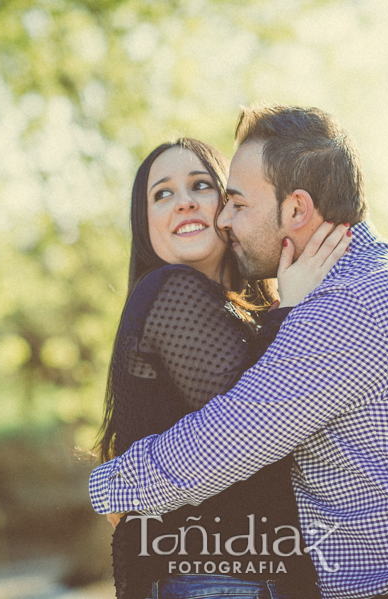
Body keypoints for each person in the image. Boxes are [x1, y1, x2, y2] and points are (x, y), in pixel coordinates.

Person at [90, 105, 388, 599]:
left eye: (234, 202)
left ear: (297, 210)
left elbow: (221, 444)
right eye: (164, 194)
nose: (221, 217)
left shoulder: (341, 311)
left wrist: (109, 486)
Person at [97, 137, 351, 599]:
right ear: (146, 223)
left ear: (230, 207)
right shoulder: (171, 290)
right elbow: (255, 418)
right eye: (163, 194)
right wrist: (292, 311)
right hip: (212, 579)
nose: (185, 202)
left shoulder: (240, 312)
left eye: (201, 186)